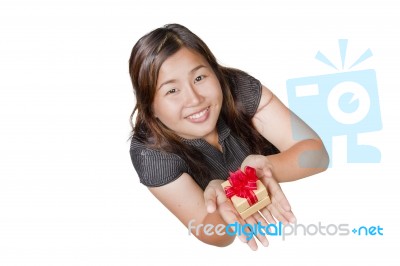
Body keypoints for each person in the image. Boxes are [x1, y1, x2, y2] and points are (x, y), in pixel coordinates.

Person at [128, 24, 329, 250]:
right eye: (172, 91)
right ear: (150, 107)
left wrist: (266, 168)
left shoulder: (236, 87)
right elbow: (211, 233)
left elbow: (317, 154)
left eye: (200, 77)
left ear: (215, 72)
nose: (194, 99)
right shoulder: (150, 152)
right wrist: (224, 204)